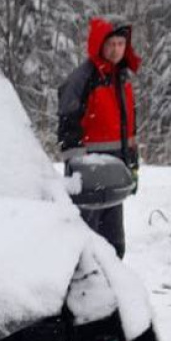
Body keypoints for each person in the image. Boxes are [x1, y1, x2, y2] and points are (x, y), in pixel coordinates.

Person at [57, 17, 141, 257]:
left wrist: (132, 166)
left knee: (114, 242)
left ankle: (113, 286)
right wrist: (77, 168)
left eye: (120, 44)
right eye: (111, 44)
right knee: (85, 240)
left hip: (116, 172)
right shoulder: (83, 79)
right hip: (89, 174)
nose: (116, 49)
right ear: (100, 44)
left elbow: (130, 131)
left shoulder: (122, 80)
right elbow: (67, 124)